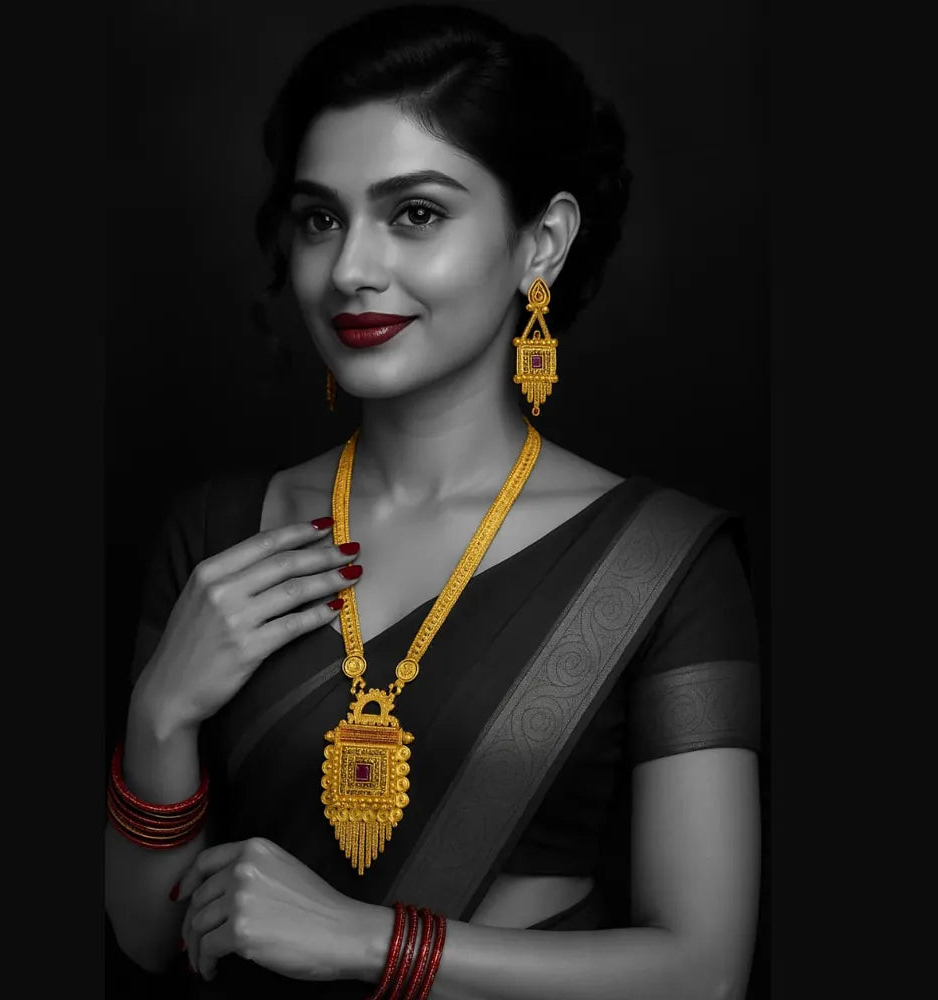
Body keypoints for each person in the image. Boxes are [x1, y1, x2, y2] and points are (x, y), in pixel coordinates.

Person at [104, 5, 762, 998]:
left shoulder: (664, 563)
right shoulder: (217, 535)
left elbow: (702, 972)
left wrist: (370, 941)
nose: (351, 270)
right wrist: (159, 715)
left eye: (415, 213)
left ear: (541, 242)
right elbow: (149, 940)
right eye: (321, 217)